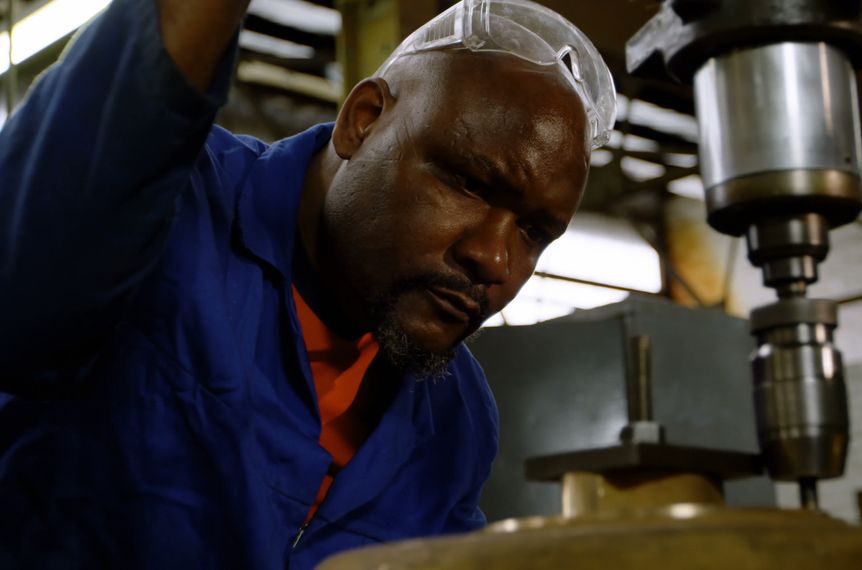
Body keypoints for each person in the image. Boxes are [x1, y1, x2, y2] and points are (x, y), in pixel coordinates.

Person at [0, 0, 616, 567]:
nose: (495, 260)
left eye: (535, 233)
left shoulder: (457, 420)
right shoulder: (171, 212)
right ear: (364, 120)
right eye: (470, 185)